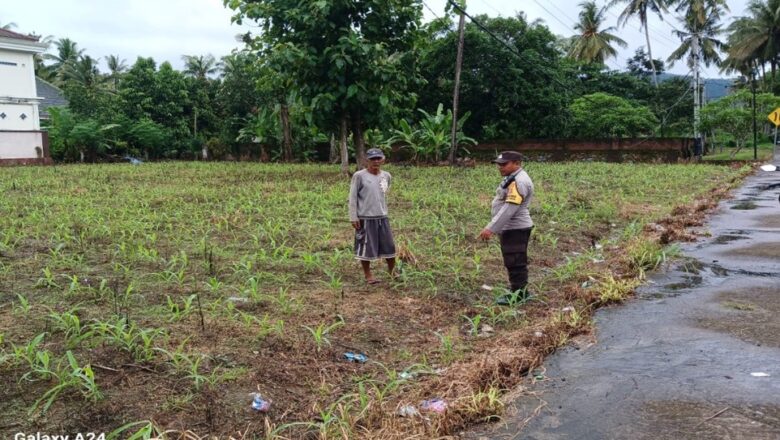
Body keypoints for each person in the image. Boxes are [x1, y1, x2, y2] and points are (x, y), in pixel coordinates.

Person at [478, 151, 534, 305]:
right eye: (498, 164)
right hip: (512, 227)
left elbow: (509, 208)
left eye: (504, 164)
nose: (499, 167)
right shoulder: (513, 178)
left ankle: (519, 295)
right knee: (513, 260)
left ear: (517, 163)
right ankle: (517, 290)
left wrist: (491, 228)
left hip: (515, 227)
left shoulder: (519, 181)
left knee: (515, 261)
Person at [348, 148, 396, 284]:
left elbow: (384, 193)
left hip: (382, 216)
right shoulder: (359, 176)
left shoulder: (386, 176)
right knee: (366, 247)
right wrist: (354, 216)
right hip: (365, 218)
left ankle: (392, 271)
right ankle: (368, 275)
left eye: (378, 158)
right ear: (366, 160)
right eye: (372, 159)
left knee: (389, 246)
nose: (376, 161)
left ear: (383, 159)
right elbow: (352, 198)